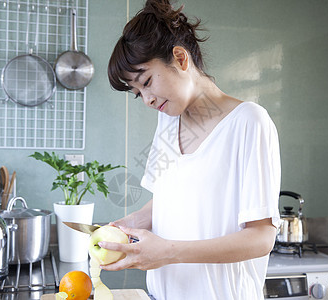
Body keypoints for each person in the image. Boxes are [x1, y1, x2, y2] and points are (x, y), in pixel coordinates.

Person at [101, 0, 281, 299]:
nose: (146, 99)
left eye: (146, 81)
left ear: (181, 58)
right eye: (137, 93)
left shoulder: (249, 122)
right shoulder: (168, 122)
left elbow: (262, 237)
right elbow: (167, 201)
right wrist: (126, 226)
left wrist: (169, 252)